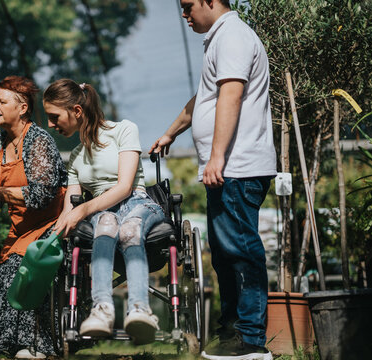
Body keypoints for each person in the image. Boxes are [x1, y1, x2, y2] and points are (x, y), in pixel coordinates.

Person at [150, 1, 276, 359]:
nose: (184, 14)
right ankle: (232, 331)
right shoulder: (218, 40)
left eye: (189, 6)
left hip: (237, 166)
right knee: (224, 254)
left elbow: (231, 95)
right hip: (227, 168)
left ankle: (251, 341)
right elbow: (205, 98)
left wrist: (218, 155)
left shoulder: (233, 36)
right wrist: (170, 133)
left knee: (241, 251)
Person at [43, 79, 165, 345]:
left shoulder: (123, 130)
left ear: (76, 111)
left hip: (137, 202)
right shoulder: (74, 156)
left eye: (54, 117)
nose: (51, 125)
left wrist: (84, 208)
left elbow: (123, 188)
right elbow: (70, 208)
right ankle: (102, 310)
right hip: (103, 212)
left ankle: (140, 310)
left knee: (129, 227)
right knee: (107, 223)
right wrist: (55, 232)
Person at [0, 75, 67, 359]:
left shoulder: (38, 139)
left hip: (52, 223)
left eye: (1, 101)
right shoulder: (0, 142)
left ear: (21, 108)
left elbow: (43, 194)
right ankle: (14, 344)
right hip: (20, 226)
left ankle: (33, 345)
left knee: (19, 272)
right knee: (4, 273)